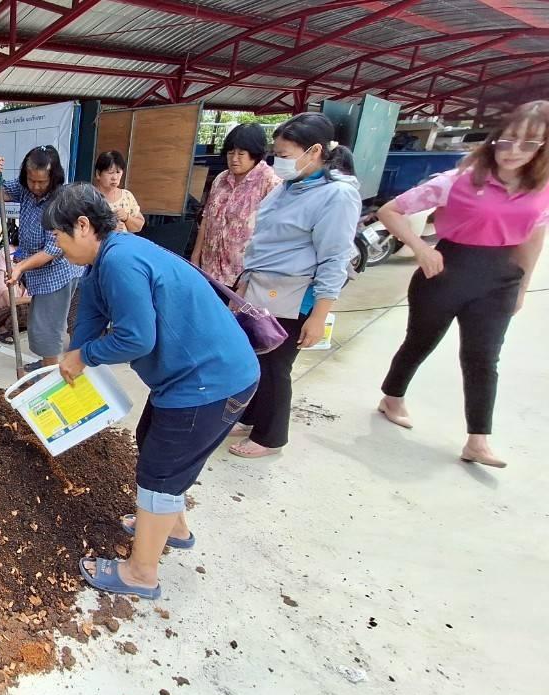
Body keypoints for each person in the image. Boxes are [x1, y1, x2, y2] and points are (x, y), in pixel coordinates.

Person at [46, 184, 258, 600]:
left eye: (58, 236)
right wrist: (72, 356)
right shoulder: (101, 265)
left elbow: (136, 339)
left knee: (160, 473)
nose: (56, 246)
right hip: (190, 381)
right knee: (152, 444)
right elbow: (87, 322)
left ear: (83, 226)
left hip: (209, 383)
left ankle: (141, 573)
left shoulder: (121, 262)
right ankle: (174, 529)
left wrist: (85, 355)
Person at [376, 100, 548, 468]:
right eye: (508, 139)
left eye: (528, 143)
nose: (513, 150)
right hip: (446, 270)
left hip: (499, 277)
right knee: (421, 340)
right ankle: (392, 396)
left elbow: (534, 238)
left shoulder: (541, 192)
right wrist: (421, 248)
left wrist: (522, 286)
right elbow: (390, 210)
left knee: (484, 356)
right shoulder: (458, 180)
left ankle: (478, 439)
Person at [228, 113, 361, 459]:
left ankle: (270, 438)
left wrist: (319, 315)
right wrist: (244, 285)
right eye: (277, 154)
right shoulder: (286, 189)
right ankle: (252, 416)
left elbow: (334, 258)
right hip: (261, 288)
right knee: (256, 358)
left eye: (285, 155)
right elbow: (262, 242)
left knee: (276, 366)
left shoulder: (336, 196)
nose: (278, 161)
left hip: (294, 296)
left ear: (314, 151)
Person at [0, 146, 80, 373]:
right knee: (45, 325)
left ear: (54, 177)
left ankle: (51, 377)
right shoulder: (25, 189)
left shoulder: (61, 201)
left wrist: (20, 267)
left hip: (57, 273)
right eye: (31, 181)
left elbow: (51, 250)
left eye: (42, 182)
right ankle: (49, 364)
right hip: (37, 271)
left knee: (47, 328)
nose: (36, 187)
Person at [189, 124, 283, 286]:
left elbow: (276, 234)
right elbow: (206, 220)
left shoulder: (270, 182)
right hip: (210, 268)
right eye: (230, 153)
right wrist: (195, 257)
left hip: (242, 275)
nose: (234, 159)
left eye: (241, 154)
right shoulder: (221, 179)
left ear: (255, 154)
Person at [0, 239, 31, 344]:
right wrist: (33, 299)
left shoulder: (23, 281)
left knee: (33, 308)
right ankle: (3, 329)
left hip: (9, 309)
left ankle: (19, 325)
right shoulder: (5, 278)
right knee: (21, 307)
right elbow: (11, 301)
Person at [91, 150, 145, 233]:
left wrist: (127, 217)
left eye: (118, 172)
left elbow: (139, 226)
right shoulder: (90, 197)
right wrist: (107, 230)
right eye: (110, 172)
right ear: (98, 174)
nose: (115, 177)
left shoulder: (127, 196)